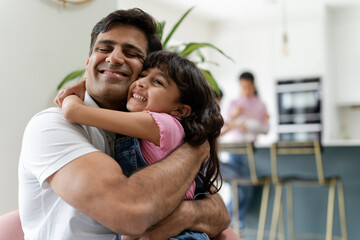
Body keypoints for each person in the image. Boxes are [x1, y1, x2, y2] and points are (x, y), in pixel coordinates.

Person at [18, 8, 231, 240]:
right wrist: (196, 148)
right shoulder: (52, 125)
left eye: (131, 53)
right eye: (104, 49)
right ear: (88, 63)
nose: (114, 58)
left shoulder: (143, 131)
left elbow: (219, 211)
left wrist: (186, 213)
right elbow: (131, 213)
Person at [56, 50, 224, 239]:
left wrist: (75, 93)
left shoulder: (162, 124)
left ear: (179, 110)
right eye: (143, 75)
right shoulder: (152, 127)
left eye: (157, 82)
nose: (141, 82)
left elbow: (73, 112)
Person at [220, 71, 269, 233]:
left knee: (246, 187)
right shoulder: (235, 103)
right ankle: (227, 222)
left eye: (248, 86)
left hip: (251, 151)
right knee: (241, 187)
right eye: (243, 87)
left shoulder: (260, 105)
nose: (246, 89)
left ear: (253, 85)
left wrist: (246, 124)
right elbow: (227, 125)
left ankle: (227, 222)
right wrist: (235, 117)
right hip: (235, 151)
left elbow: (265, 128)